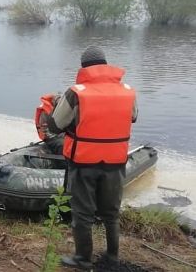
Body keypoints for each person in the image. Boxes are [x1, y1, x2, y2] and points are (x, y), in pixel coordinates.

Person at [47, 46, 138, 270]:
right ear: (105, 64)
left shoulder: (75, 92)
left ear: (83, 67)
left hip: (84, 162)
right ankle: (112, 257)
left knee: (82, 213)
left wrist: (58, 103)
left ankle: (83, 259)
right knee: (111, 213)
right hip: (115, 162)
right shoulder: (128, 90)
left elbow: (54, 125)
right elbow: (134, 117)